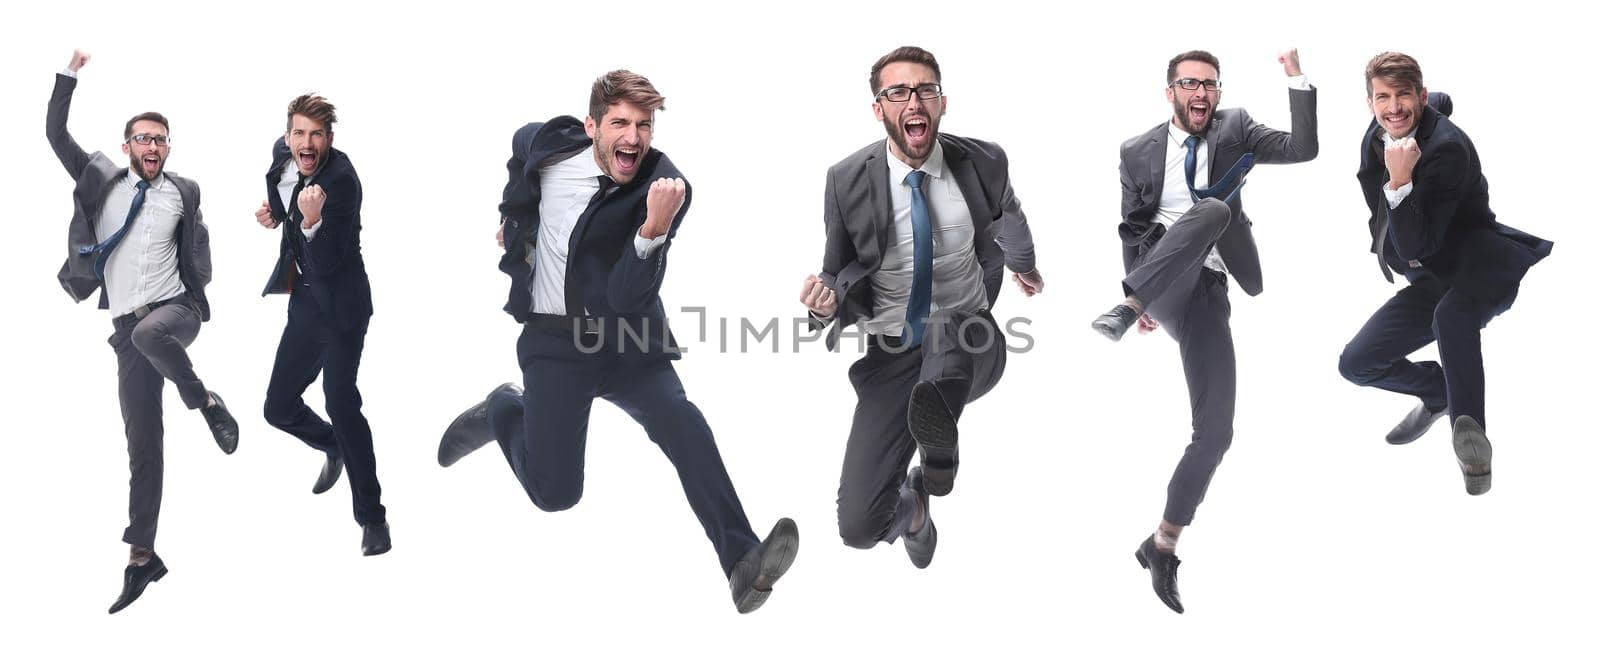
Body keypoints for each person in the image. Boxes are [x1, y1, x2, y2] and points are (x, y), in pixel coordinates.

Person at [437, 70, 798, 614]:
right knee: (556, 494)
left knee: (683, 422)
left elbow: (627, 296)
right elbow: (519, 151)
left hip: (628, 339)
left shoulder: (665, 187)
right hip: (555, 346)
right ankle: (502, 407)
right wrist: (517, 223)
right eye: (621, 123)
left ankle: (742, 562)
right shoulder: (549, 142)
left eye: (644, 125)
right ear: (591, 127)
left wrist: (652, 230)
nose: (633, 137)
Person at [1089, 49, 1317, 613]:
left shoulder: (1235, 127)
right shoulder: (1135, 151)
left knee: (1216, 431)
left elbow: (1303, 148)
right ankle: (1126, 305)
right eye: (1189, 83)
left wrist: (1296, 78)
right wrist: (1136, 292)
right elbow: (1131, 226)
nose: (1201, 92)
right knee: (1214, 210)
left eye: (1210, 85)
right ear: (1170, 91)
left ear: (1217, 93)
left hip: (1209, 289)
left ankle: (1163, 543)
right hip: (1158, 283)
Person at [800, 46, 1043, 571]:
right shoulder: (845, 180)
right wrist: (822, 308)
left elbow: (1012, 216)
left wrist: (1025, 265)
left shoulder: (983, 161)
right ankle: (915, 511)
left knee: (947, 322)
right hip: (891, 355)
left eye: (925, 90)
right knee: (858, 527)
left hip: (970, 341)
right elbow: (835, 270)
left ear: (942, 102)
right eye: (898, 92)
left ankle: (938, 458)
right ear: (878, 108)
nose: (914, 100)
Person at [47, 48, 240, 614]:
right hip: (127, 329)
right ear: (128, 145)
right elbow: (56, 133)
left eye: (161, 140)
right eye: (144, 139)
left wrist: (199, 293)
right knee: (143, 446)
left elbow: (197, 248)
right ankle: (141, 557)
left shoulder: (184, 191)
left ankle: (205, 400)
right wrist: (69, 73)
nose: (153, 147)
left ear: (168, 148)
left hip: (174, 313)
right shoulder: (100, 179)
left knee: (151, 334)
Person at [1337, 51, 1552, 496]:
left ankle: (1471, 438)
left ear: (1420, 94)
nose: (1393, 107)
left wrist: (1399, 184)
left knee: (1450, 318)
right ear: (1369, 102)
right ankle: (1437, 391)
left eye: (1403, 96)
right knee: (1356, 363)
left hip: (1480, 267)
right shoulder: (1379, 132)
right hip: (1430, 275)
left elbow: (1419, 243)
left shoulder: (1448, 149)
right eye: (1383, 97)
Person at [254, 93, 389, 556]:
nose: (305, 143)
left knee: (341, 402)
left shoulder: (343, 183)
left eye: (316, 135)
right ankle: (333, 447)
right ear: (288, 135)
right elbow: (280, 182)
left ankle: (373, 519)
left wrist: (310, 222)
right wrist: (278, 215)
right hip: (305, 305)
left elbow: (329, 262)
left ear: (330, 138)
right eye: (298, 134)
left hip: (342, 305)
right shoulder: (282, 154)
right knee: (277, 408)